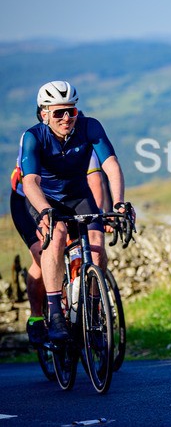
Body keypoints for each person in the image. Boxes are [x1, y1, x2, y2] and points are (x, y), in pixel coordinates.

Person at [20, 81, 133, 342]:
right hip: (45, 198)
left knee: (97, 248)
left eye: (70, 111)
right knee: (57, 236)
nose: (66, 118)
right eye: (58, 112)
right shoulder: (33, 136)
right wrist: (45, 211)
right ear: (44, 114)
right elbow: (30, 182)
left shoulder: (90, 126)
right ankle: (55, 315)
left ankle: (92, 311)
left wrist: (118, 203)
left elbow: (111, 165)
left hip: (78, 196)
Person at [10, 133, 107, 346]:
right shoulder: (36, 140)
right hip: (28, 200)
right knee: (42, 253)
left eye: (73, 117)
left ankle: (83, 310)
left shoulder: (82, 141)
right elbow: (31, 184)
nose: (67, 121)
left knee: (83, 247)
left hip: (69, 200)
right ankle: (38, 317)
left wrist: (98, 216)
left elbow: (95, 181)